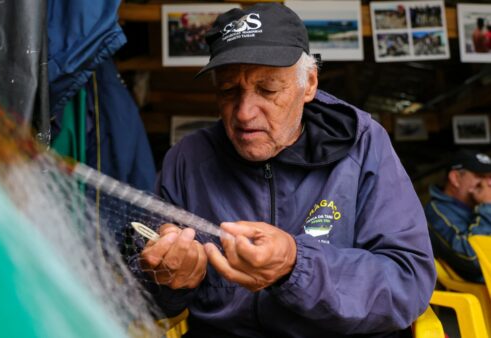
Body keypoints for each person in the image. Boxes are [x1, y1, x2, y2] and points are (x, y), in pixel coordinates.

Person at [135, 3, 436, 337]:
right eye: (228, 90)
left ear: (308, 84)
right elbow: (147, 300)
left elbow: (408, 283)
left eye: (267, 89)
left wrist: (296, 265)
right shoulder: (187, 159)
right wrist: (170, 281)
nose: (245, 113)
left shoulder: (364, 145)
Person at [425, 149, 491, 283]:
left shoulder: (477, 206)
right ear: (455, 178)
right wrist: (487, 207)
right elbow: (472, 258)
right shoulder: (435, 213)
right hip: (478, 295)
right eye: (480, 176)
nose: (488, 183)